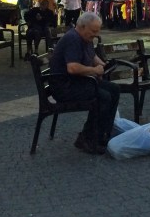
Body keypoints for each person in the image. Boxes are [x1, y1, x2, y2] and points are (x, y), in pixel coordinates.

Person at [49, 12, 120, 154]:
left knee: (114, 90)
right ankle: (88, 138)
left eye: (97, 31)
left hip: (78, 82)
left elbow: (92, 56)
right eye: (93, 31)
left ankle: (102, 134)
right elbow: (72, 68)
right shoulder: (73, 39)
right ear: (82, 27)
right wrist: (94, 70)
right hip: (65, 87)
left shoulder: (85, 38)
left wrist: (103, 66)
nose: (96, 34)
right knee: (103, 96)